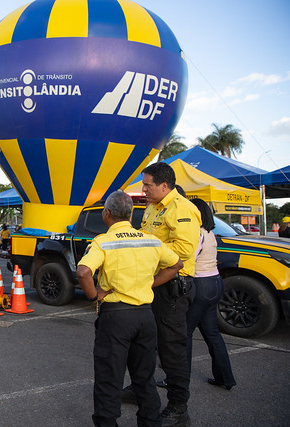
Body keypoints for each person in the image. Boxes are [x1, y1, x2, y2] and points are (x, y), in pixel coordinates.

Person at [76, 190, 183, 427]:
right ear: (131, 213)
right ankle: (150, 421)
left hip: (115, 318)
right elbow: (177, 264)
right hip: (145, 316)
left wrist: (95, 295)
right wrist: (151, 283)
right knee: (144, 378)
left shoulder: (103, 242)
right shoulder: (150, 240)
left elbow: (83, 271)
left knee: (109, 378)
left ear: (107, 214)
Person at [132, 162, 201, 427]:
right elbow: (147, 236)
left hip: (173, 287)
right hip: (152, 283)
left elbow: (183, 251)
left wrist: (146, 245)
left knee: (172, 349)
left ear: (164, 185)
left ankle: (178, 407)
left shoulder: (181, 208)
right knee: (146, 342)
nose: (143, 189)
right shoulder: (152, 207)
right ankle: (141, 390)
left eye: (147, 184)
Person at [187, 198, 236, 390]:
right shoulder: (210, 233)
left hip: (200, 284)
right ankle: (225, 378)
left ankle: (178, 380)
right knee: (212, 333)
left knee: (184, 333)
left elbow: (188, 258)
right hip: (215, 282)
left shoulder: (196, 233)